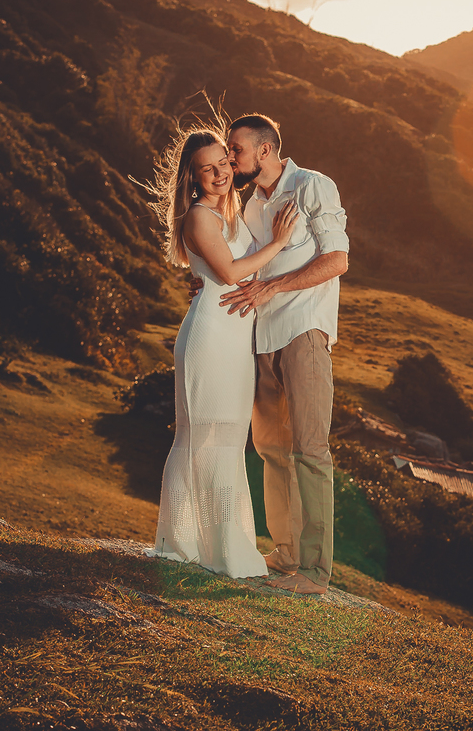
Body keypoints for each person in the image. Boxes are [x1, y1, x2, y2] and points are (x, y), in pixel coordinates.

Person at [195, 113, 349, 595]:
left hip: (304, 331)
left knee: (309, 449)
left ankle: (316, 573)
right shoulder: (249, 204)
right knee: (271, 450)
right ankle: (286, 553)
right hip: (258, 339)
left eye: (235, 150)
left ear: (264, 150)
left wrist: (273, 287)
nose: (230, 159)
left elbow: (337, 258)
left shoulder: (312, 186)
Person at [145, 120, 299, 578]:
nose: (218, 173)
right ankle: (182, 544)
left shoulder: (233, 211)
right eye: (205, 169)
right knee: (199, 438)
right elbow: (232, 274)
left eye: (223, 163)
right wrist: (278, 244)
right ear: (192, 177)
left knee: (230, 441)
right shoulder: (198, 216)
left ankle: (224, 546)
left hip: (236, 341)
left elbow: (224, 270)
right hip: (210, 337)